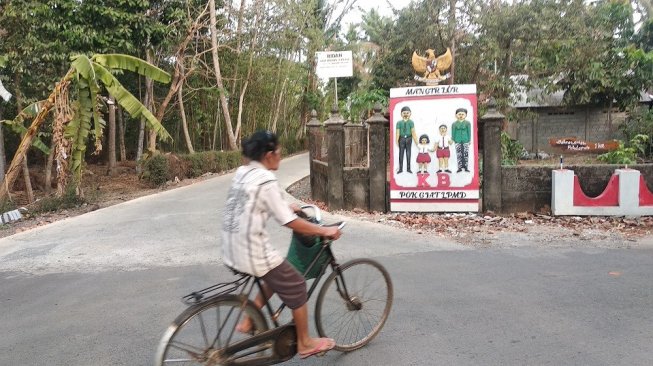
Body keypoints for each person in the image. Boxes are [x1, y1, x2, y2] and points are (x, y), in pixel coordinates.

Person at [221, 130, 342, 359]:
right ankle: (305, 343)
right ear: (268, 155)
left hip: (230, 249)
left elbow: (263, 202)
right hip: (250, 251)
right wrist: (324, 230)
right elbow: (289, 222)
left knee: (275, 273)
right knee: (296, 283)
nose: (280, 155)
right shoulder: (265, 179)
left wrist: (289, 206)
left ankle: (249, 320)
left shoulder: (244, 172)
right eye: (278, 151)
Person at [396, 106, 418, 174]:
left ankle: (408, 168)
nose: (405, 114)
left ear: (410, 114)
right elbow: (397, 132)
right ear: (401, 114)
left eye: (407, 113)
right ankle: (400, 169)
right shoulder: (399, 123)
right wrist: (397, 140)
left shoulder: (411, 122)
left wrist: (416, 142)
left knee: (408, 153)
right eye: (404, 113)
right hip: (401, 138)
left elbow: (413, 132)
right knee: (401, 154)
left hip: (409, 138)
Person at [451, 108, 472, 173]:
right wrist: (453, 139)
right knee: (459, 153)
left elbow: (469, 132)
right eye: (459, 114)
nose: (461, 116)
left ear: (465, 115)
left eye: (462, 114)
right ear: (456, 115)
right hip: (457, 140)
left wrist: (469, 139)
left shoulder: (467, 123)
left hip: (465, 139)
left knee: (466, 153)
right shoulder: (454, 124)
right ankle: (459, 167)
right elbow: (453, 132)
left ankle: (466, 167)